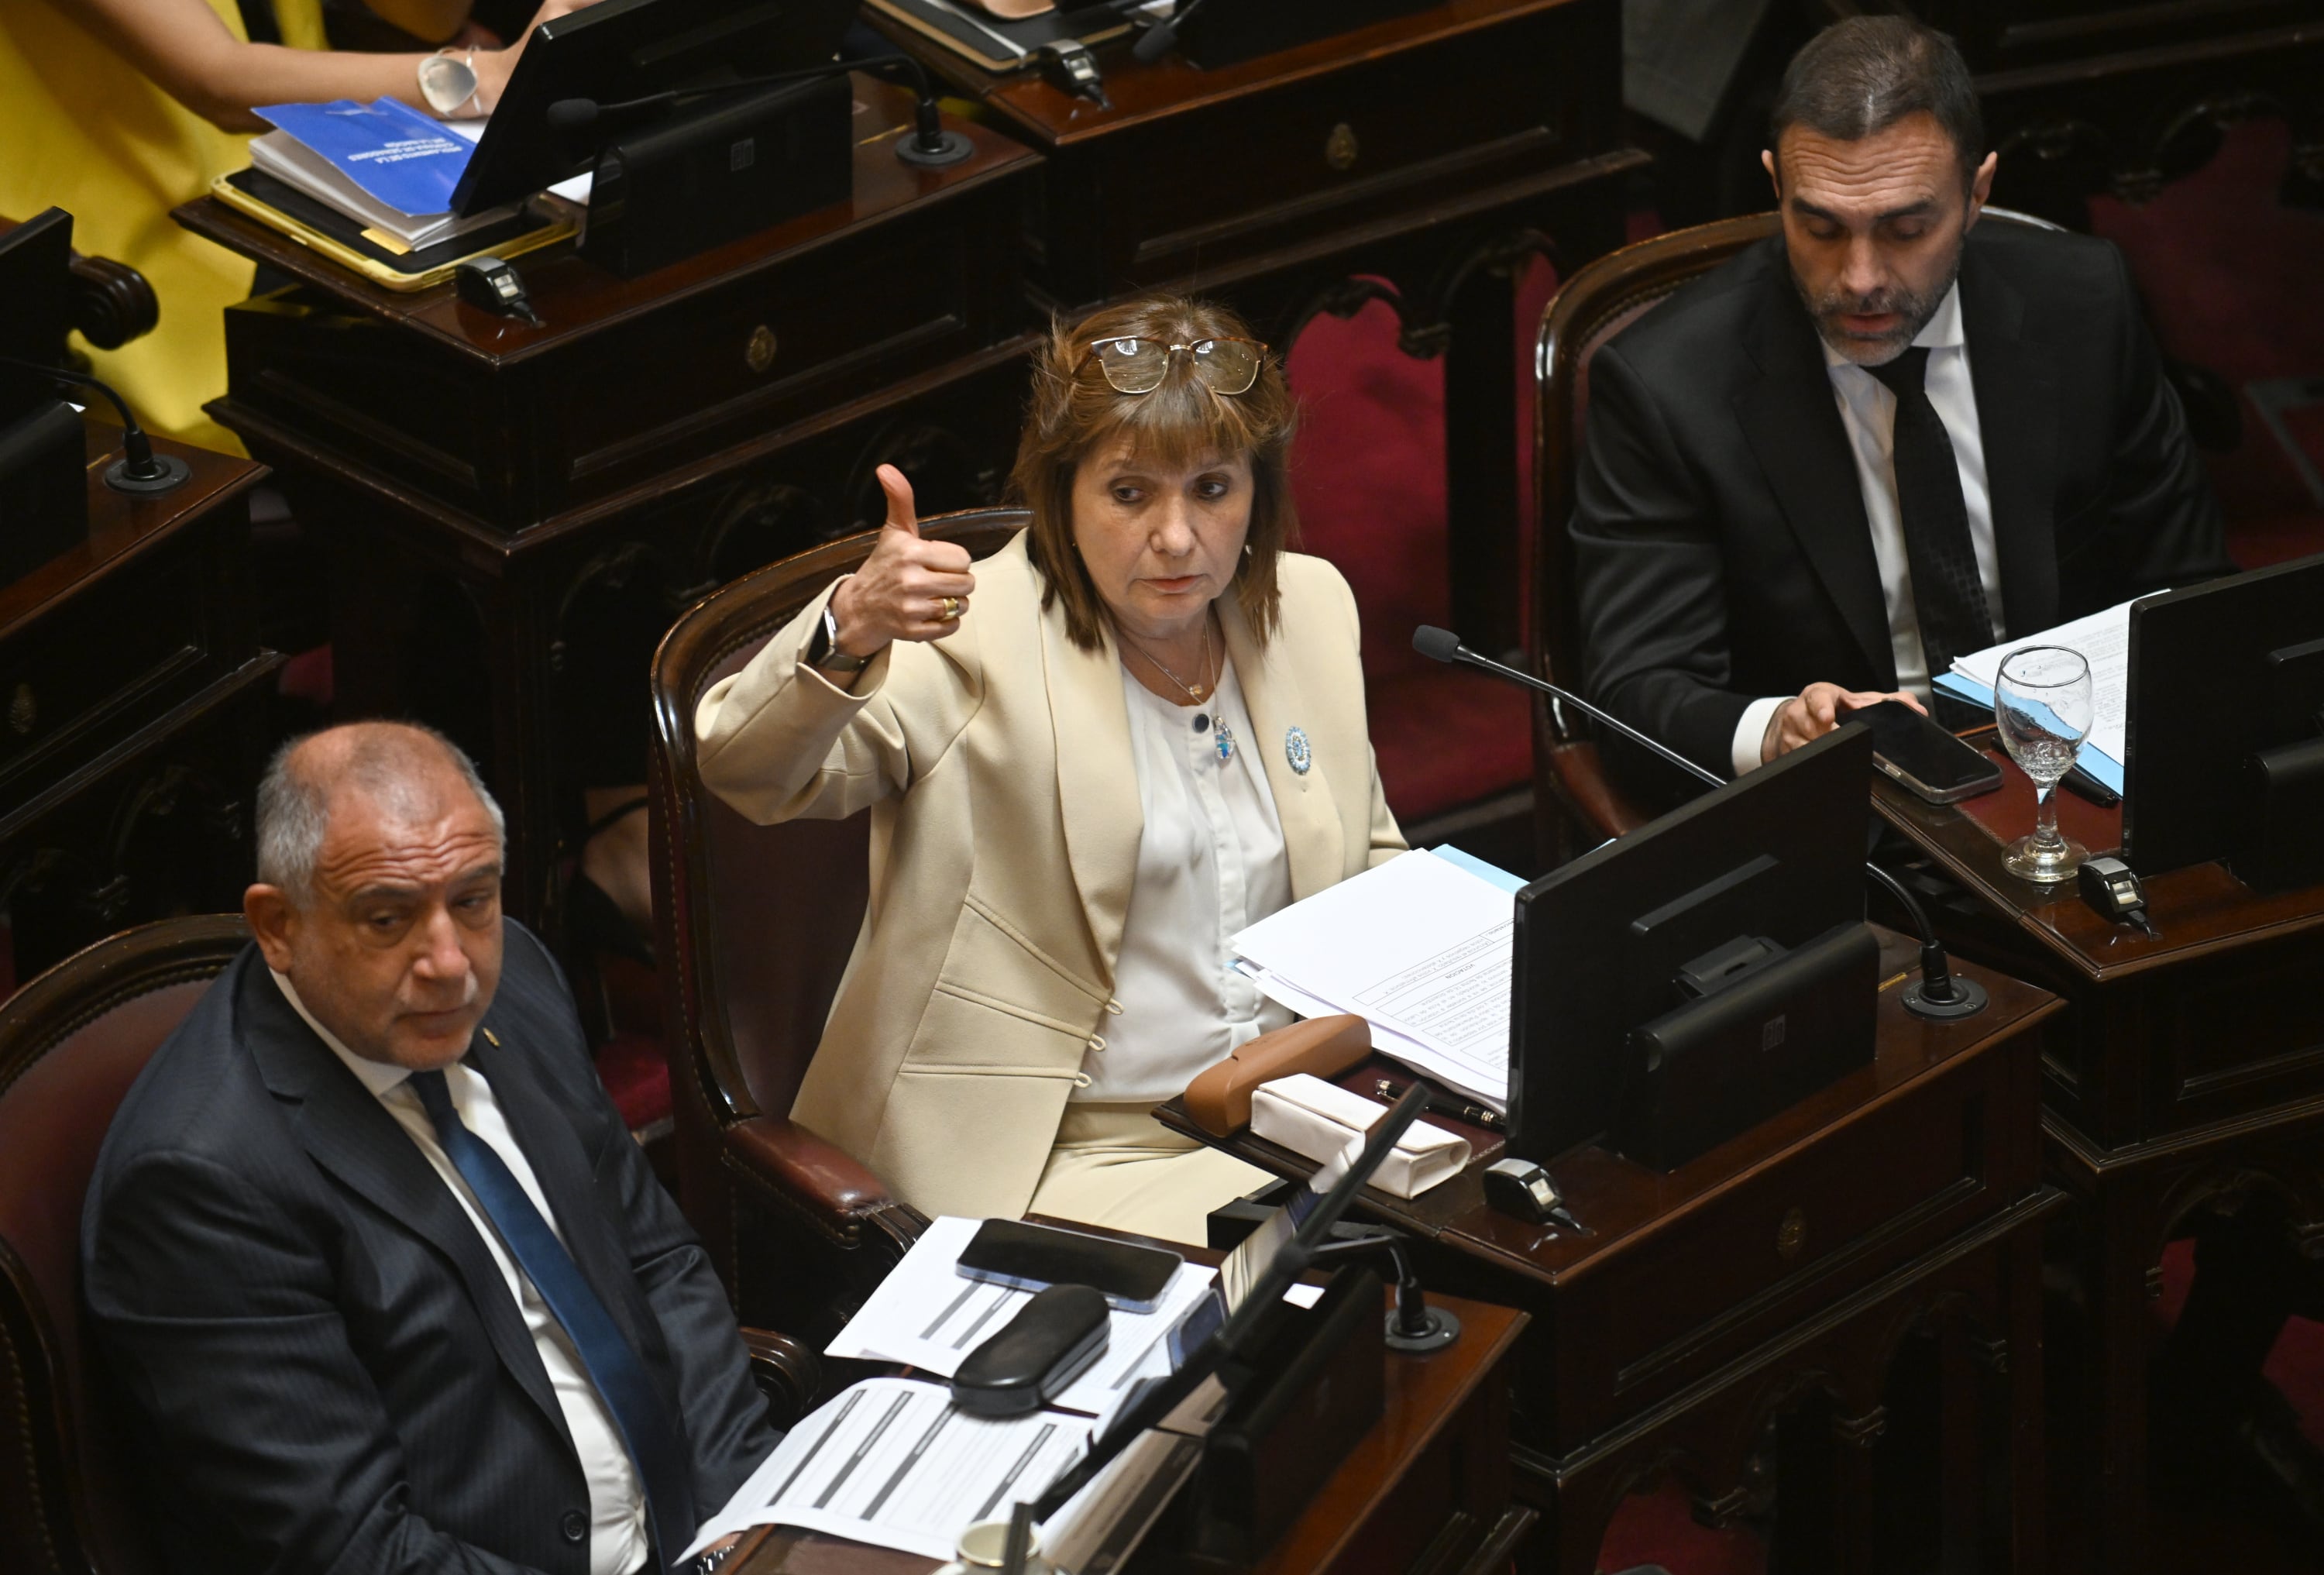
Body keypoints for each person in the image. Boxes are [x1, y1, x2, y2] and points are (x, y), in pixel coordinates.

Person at [694, 295, 1406, 1244]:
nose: (1177, 537)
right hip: (1053, 1153)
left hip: (1287, 1111)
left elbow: (1369, 859)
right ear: (1062, 495)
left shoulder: (1308, 608)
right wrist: (852, 626)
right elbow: (748, 774)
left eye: (1211, 487)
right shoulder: (967, 636)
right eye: (1129, 492)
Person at [83, 722, 772, 1575]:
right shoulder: (200, 1180)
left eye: (474, 898)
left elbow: (657, 1261)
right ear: (279, 925)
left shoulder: (512, 979)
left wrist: (749, 1519)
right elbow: (352, 1549)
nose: (451, 963)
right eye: (387, 917)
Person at [1570, 15, 2232, 795]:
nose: (1859, 278)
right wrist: (1777, 729)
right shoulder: (1667, 386)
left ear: (1977, 193)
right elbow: (1638, 689)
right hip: (1850, 815)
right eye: (1819, 227)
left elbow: (2193, 592)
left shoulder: (2083, 305)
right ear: (1776, 186)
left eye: (1907, 227)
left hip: (2076, 777)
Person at [0, 0, 591, 449]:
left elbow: (426, 16)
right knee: (502, 372)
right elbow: (219, 82)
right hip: (169, 259)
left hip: (320, 180)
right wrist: (483, 78)